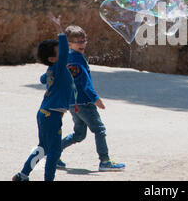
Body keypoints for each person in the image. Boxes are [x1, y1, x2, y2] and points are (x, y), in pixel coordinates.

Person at [41, 25, 125, 171]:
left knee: (79, 134)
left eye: (84, 40)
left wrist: (46, 79)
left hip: (72, 104)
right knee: (99, 129)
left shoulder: (64, 58)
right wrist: (95, 98)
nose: (82, 44)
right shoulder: (77, 59)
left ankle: (53, 154)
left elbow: (45, 77)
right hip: (84, 103)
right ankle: (105, 161)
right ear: (69, 44)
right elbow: (85, 82)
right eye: (78, 41)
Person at [12, 15, 77, 181]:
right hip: (52, 116)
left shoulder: (52, 69)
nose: (64, 53)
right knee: (54, 151)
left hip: (44, 113)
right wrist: (59, 29)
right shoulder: (58, 68)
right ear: (52, 59)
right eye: (59, 53)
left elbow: (43, 79)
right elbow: (63, 51)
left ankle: (23, 175)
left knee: (43, 148)